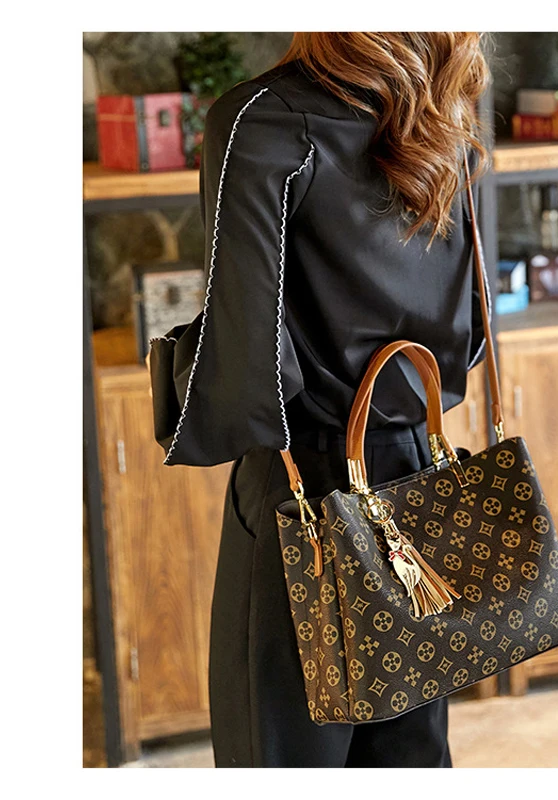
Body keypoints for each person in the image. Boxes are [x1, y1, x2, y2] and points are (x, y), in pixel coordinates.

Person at [148, 32, 491, 768]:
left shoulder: (259, 118)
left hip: (299, 494)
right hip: (416, 482)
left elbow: (245, 383)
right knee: (409, 757)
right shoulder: (446, 113)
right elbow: (465, 344)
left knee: (278, 758)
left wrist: (171, 376)